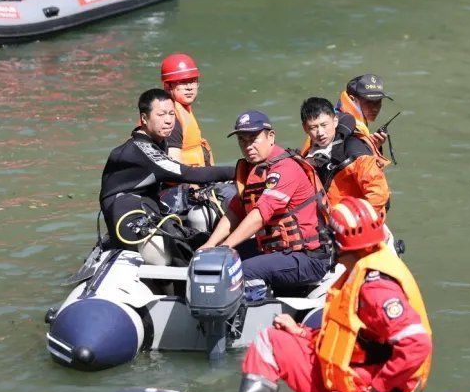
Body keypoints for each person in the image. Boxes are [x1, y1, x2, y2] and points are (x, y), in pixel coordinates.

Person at [220, 197, 432, 392]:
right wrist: (303, 334)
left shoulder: (376, 287)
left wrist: (377, 391)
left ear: (346, 242)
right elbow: (352, 337)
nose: (325, 241)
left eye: (330, 235)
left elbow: (416, 343)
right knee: (271, 341)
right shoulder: (358, 270)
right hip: (345, 379)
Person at [199, 110, 331, 296]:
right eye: (242, 141)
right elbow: (235, 212)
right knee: (210, 260)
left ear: (271, 136)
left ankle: (247, 318)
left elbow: (260, 215)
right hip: (277, 250)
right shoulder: (256, 171)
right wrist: (210, 246)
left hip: (308, 257)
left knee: (238, 269)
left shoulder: (285, 169)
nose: (248, 146)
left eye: (253, 139)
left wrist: (225, 248)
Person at [100, 89, 234, 254]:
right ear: (144, 118)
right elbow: (186, 174)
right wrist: (237, 171)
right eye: (161, 114)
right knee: (197, 244)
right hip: (127, 219)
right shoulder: (142, 151)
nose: (169, 120)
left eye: (171, 114)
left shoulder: (155, 142)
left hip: (147, 206)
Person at [300, 96, 389, 213]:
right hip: (327, 223)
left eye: (324, 125)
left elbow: (378, 192)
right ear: (305, 128)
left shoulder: (355, 149)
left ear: (335, 121)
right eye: (313, 127)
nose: (320, 133)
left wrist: (356, 221)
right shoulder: (309, 150)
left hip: (357, 223)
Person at [159, 53, 214, 166]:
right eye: (183, 82)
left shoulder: (183, 109)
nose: (189, 87)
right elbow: (174, 168)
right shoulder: (169, 119)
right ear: (167, 86)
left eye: (193, 81)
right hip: (183, 182)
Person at [337, 73, 393, 160]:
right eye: (369, 102)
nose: (375, 109)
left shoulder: (337, 115)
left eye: (378, 102)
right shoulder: (347, 128)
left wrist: (374, 146)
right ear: (352, 99)